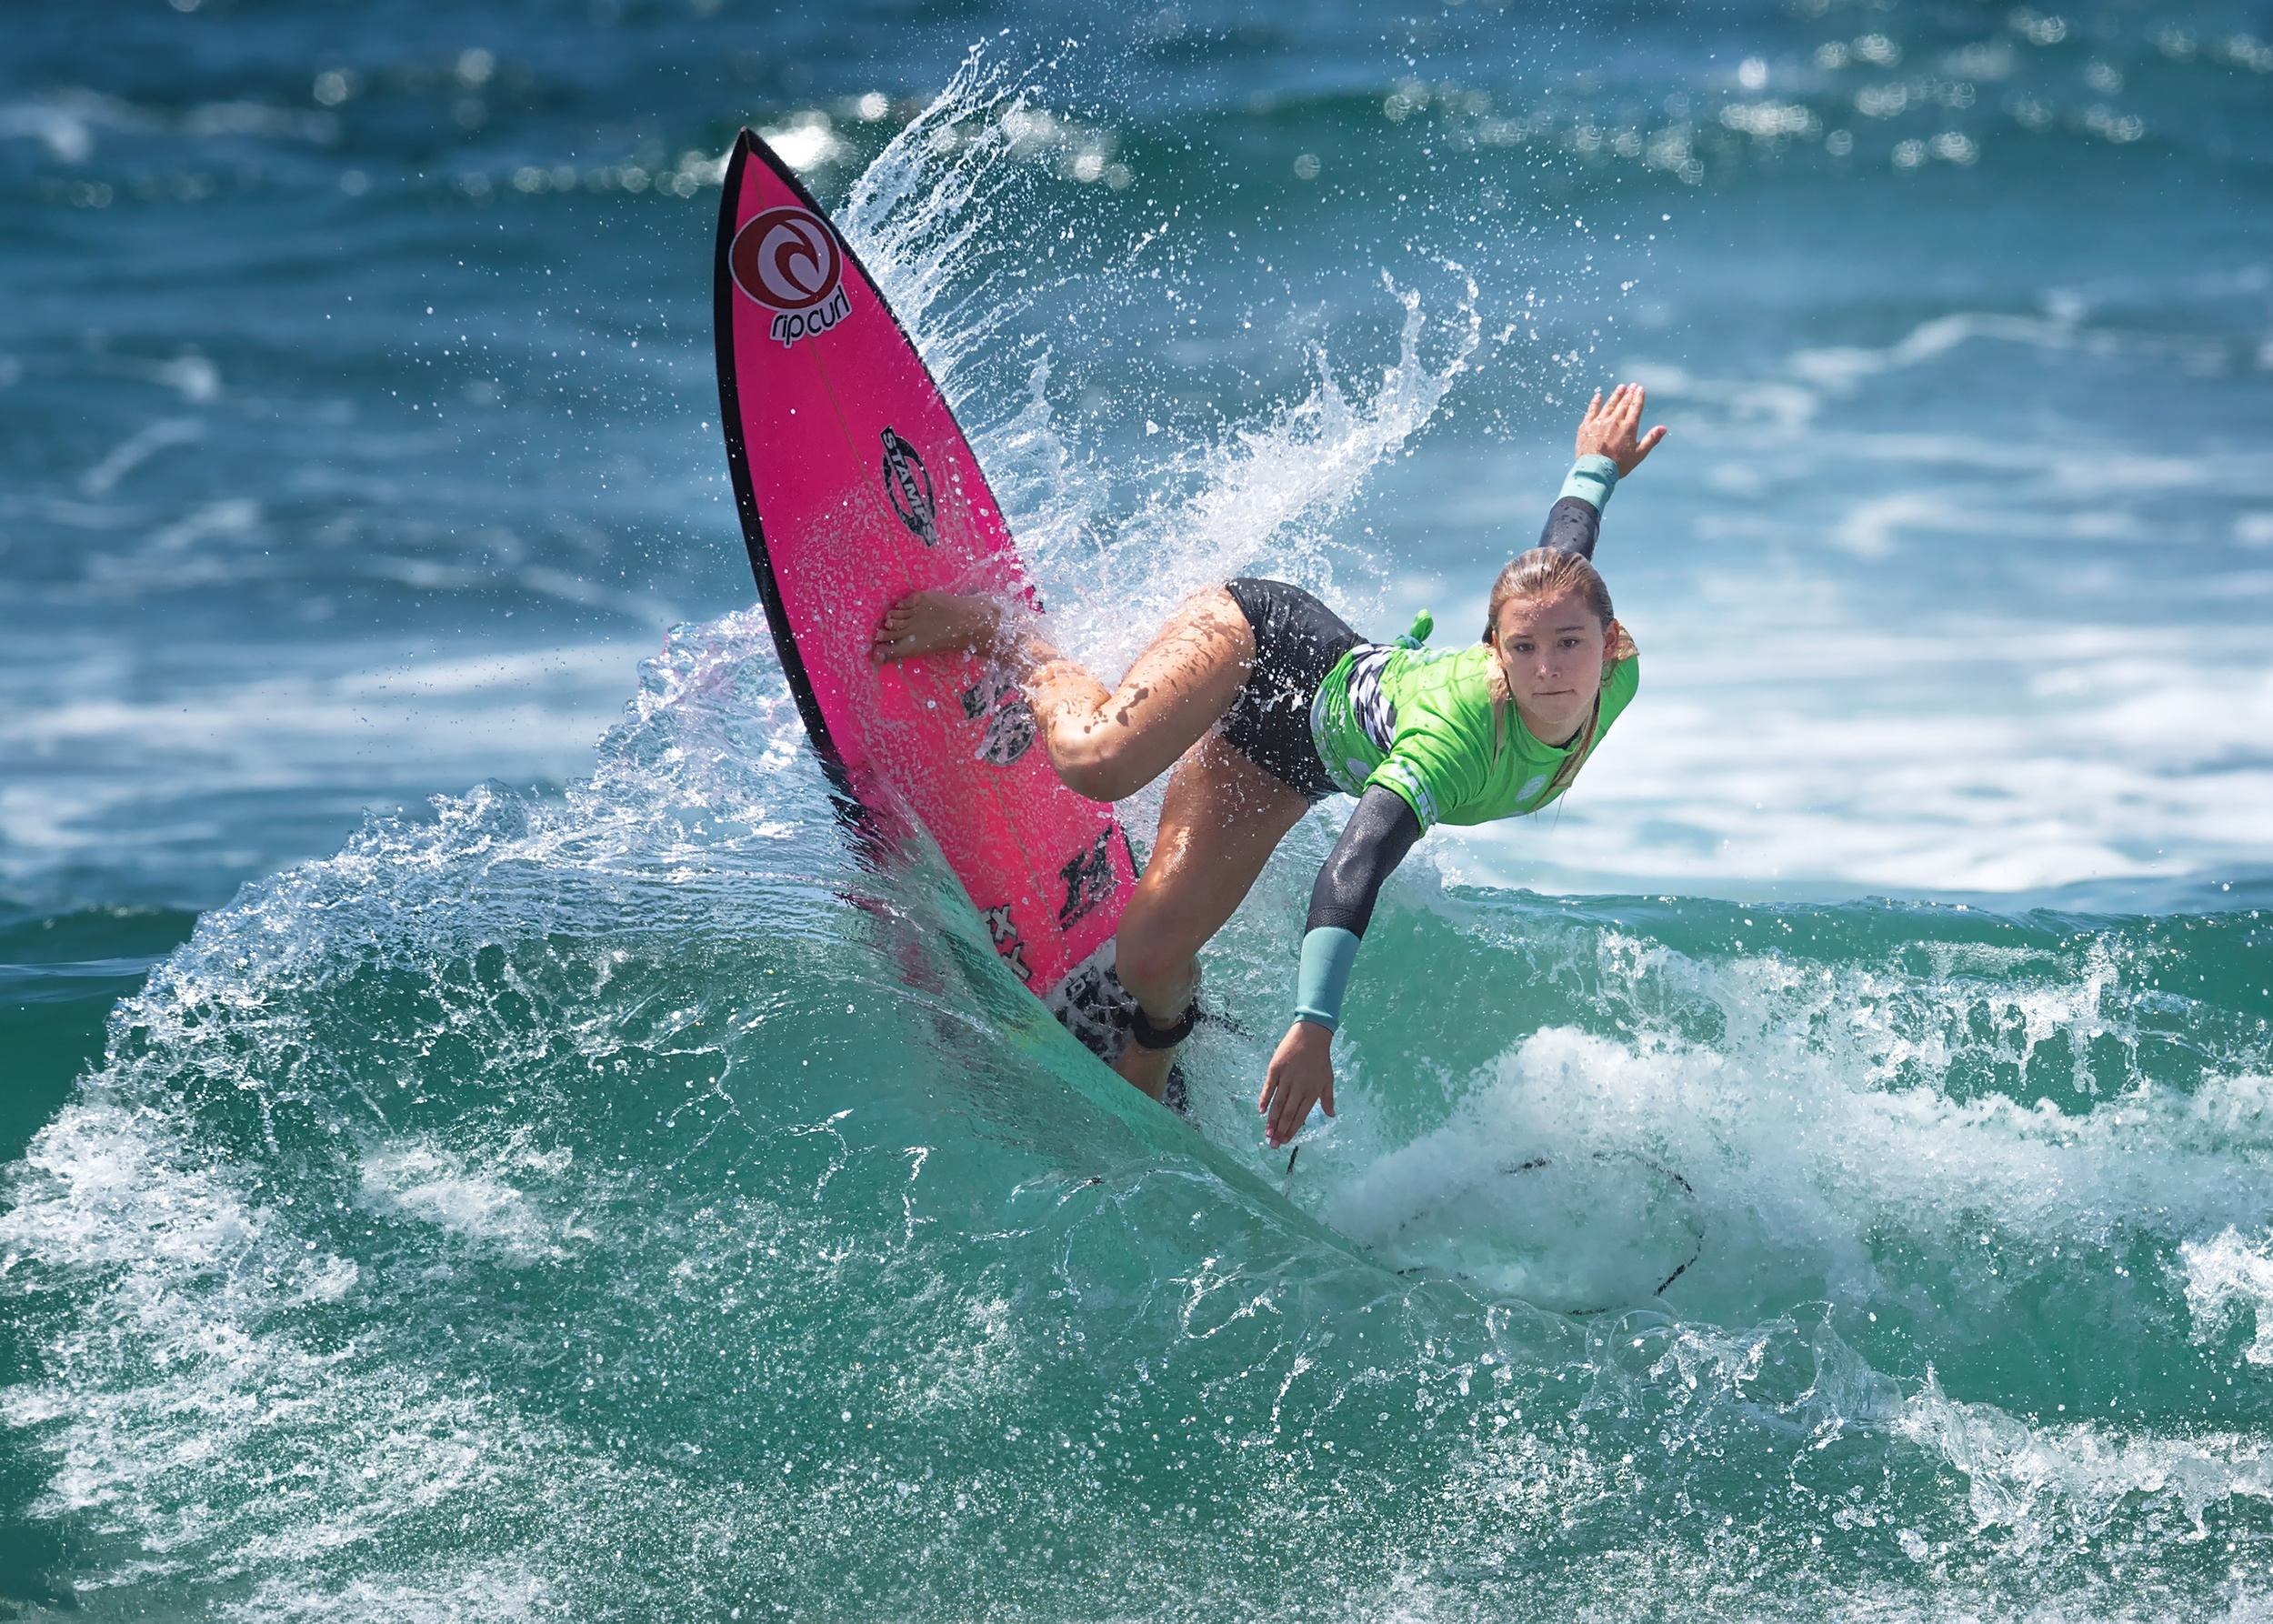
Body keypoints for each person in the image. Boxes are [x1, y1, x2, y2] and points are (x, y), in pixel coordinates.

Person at [872, 384, 1666, 1148]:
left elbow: (1564, 566)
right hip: (1262, 643)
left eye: (1570, 644)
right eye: (1524, 647)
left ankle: (1158, 1036)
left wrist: (1596, 467)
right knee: (1095, 761)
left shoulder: (1614, 674)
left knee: (1148, 959)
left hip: (1285, 761)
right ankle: (1022, 644)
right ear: (1497, 648)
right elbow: (1356, 862)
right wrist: (1313, 1025)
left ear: (1608, 644)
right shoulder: (1457, 735)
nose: (1549, 667)